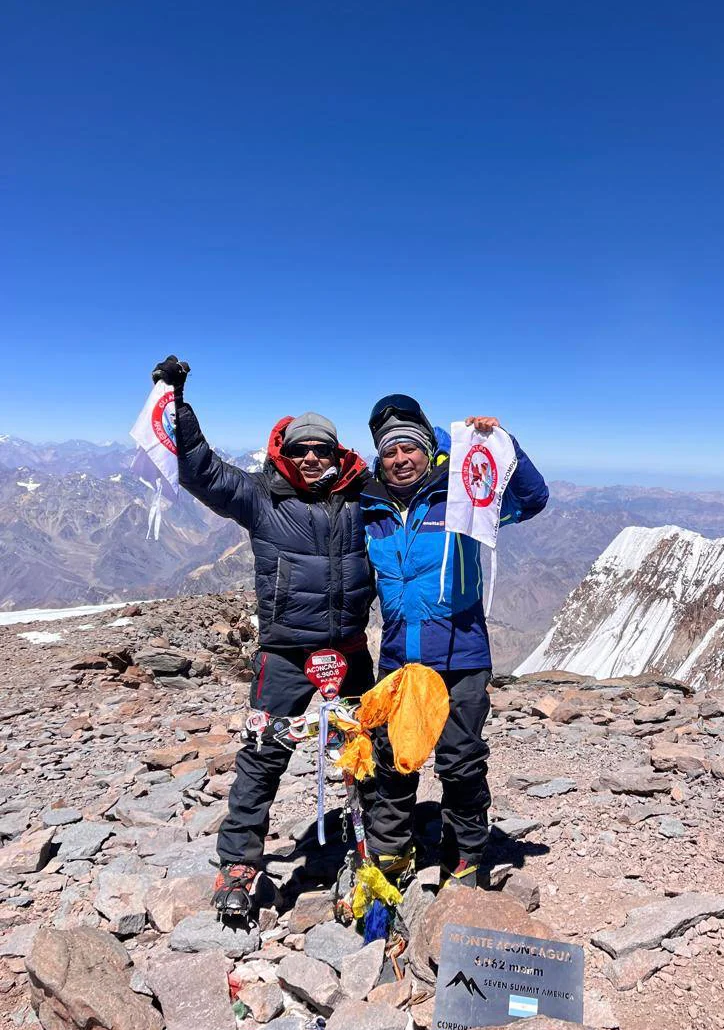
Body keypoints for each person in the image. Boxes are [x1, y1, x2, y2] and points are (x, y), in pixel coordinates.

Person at [150, 356, 375, 917]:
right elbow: (200, 469)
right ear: (285, 451)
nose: (312, 457)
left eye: (322, 448)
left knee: (366, 749)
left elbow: (417, 483)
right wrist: (177, 403)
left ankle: (377, 848)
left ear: (338, 452)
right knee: (262, 754)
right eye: (301, 449)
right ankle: (240, 861)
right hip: (284, 655)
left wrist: (461, 445)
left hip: (349, 652)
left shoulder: (361, 497)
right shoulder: (261, 495)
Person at [360, 394, 548, 888]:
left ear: (428, 449)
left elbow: (532, 499)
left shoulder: (465, 498)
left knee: (460, 763)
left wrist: (500, 443)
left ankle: (463, 858)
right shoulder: (370, 510)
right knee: (395, 764)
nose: (401, 459)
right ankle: (392, 859)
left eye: (410, 448)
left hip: (461, 657)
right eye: (390, 451)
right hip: (401, 662)